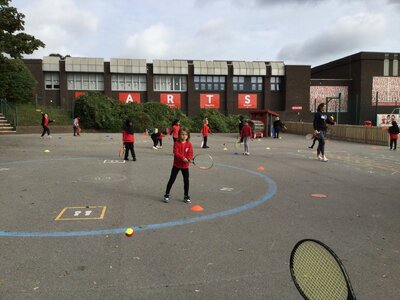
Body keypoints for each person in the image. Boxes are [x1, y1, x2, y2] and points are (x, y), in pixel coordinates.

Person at [164, 127, 193, 204]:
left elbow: (190, 153)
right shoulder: (176, 143)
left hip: (185, 167)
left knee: (186, 181)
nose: (184, 136)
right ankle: (166, 194)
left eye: (186, 135)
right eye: (182, 134)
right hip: (176, 165)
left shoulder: (189, 144)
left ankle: (186, 196)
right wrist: (183, 158)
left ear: (188, 136)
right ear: (179, 135)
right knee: (172, 180)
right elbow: (176, 153)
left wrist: (189, 158)